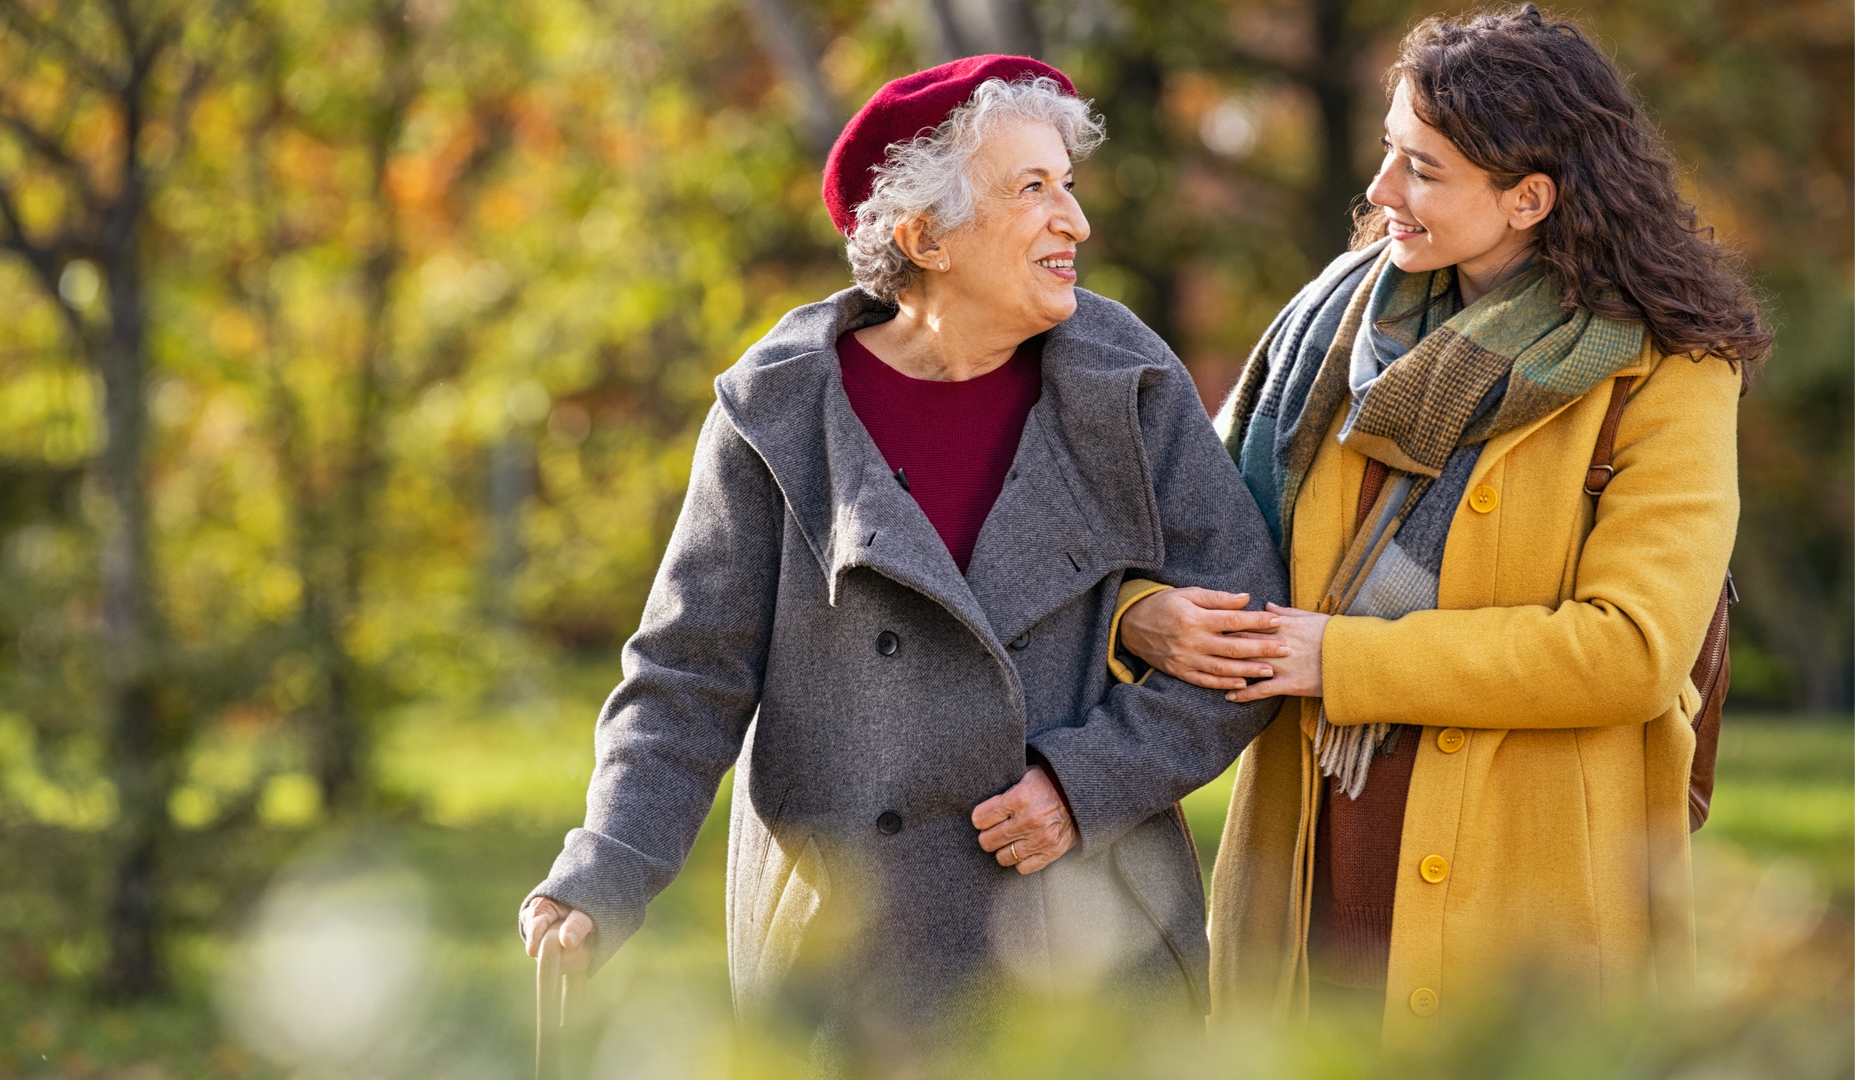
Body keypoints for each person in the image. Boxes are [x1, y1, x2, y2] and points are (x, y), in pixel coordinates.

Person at [518, 55, 1287, 1064]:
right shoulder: (779, 414)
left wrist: (1084, 781)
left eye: (1069, 183)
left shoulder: (1128, 381)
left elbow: (1244, 637)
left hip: (1092, 943)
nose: (1076, 222)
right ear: (926, 237)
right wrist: (605, 866)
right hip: (853, 955)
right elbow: (687, 675)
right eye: (1033, 189)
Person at [1114, 4, 1767, 1041]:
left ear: (1528, 198)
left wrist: (1348, 660)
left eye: (1422, 168)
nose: (1379, 193)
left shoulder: (1669, 373)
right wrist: (1144, 615)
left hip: (1530, 904)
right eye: (1387, 152)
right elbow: (1176, 531)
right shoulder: (1329, 336)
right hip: (1310, 871)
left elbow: (1633, 649)